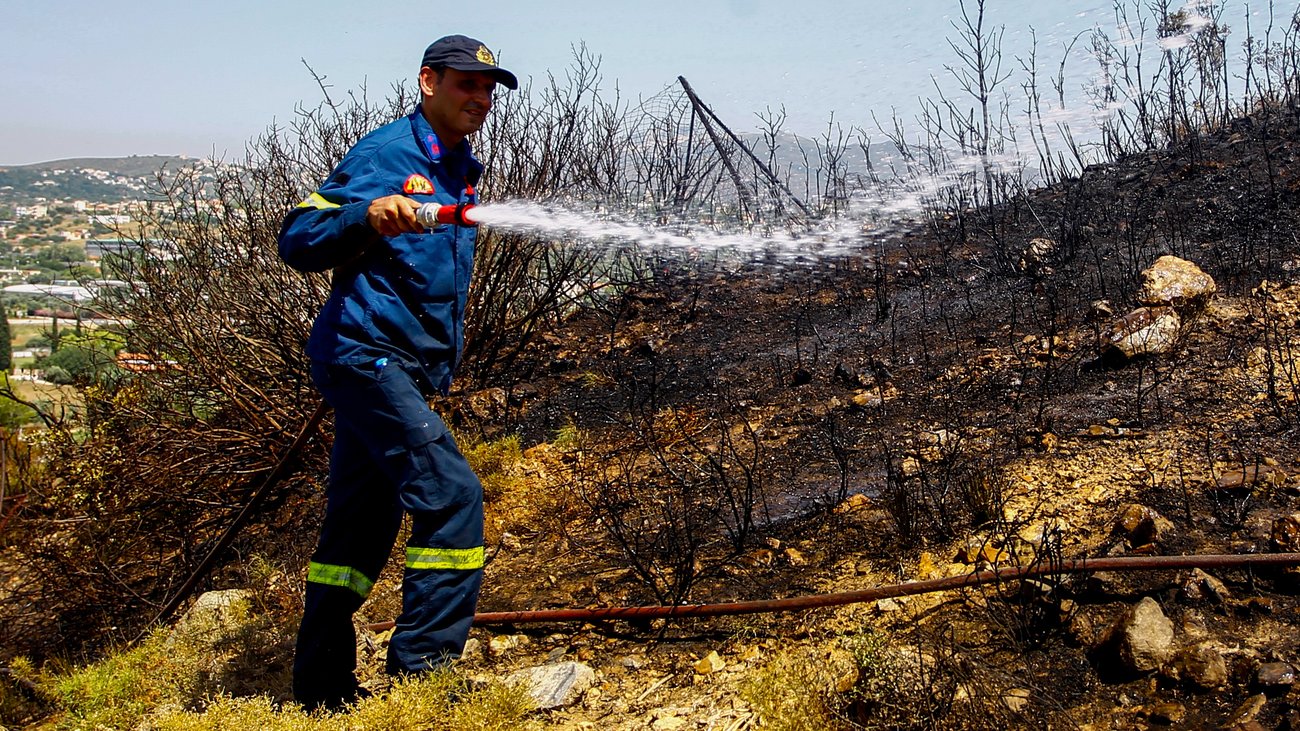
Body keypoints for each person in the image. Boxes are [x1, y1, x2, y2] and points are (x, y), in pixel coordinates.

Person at [277, 34, 518, 711]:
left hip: (402, 369)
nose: (481, 98)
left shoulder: (458, 166)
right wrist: (364, 215)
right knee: (452, 497)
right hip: (364, 357)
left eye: (489, 88)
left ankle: (321, 690)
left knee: (359, 524)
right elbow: (295, 237)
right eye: (467, 84)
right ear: (428, 82)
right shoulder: (388, 154)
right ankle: (423, 684)